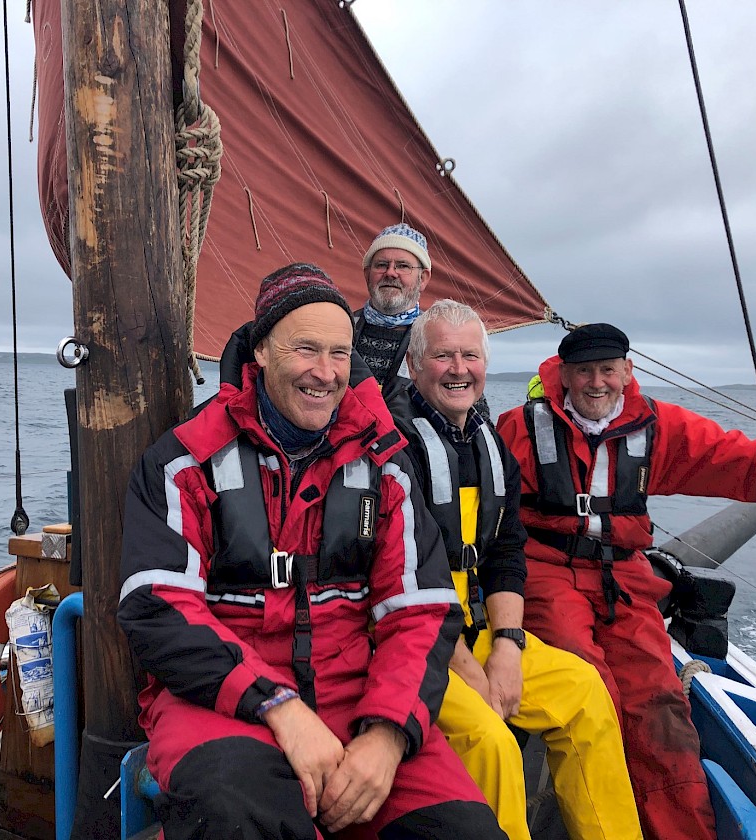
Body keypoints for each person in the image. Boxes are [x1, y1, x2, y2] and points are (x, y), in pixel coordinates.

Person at [118, 264, 507, 840]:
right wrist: (277, 705)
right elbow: (159, 605)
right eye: (305, 349)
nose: (325, 373)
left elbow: (419, 610)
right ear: (262, 354)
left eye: (340, 354)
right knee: (234, 811)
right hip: (218, 706)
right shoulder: (184, 462)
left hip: (358, 697)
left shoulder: (385, 465)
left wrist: (388, 735)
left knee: (465, 831)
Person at [495, 322, 756, 840]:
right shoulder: (517, 428)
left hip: (624, 575)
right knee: (591, 690)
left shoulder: (654, 427)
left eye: (608, 370)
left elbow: (740, 460)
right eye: (583, 371)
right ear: (563, 374)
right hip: (544, 571)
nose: (596, 383)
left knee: (661, 706)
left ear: (628, 372)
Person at [390, 299, 643, 840]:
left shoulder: (491, 447)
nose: (459, 369)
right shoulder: (390, 450)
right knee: (490, 740)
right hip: (410, 642)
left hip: (475, 629)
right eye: (442, 356)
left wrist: (508, 645)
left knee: (584, 693)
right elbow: (402, 577)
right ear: (414, 366)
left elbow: (505, 551)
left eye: (470, 355)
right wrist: (471, 670)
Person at [353, 223, 431, 391]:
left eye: (403, 266)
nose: (390, 273)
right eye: (381, 265)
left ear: (423, 279)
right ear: (367, 274)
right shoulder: (340, 328)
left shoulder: (436, 335)